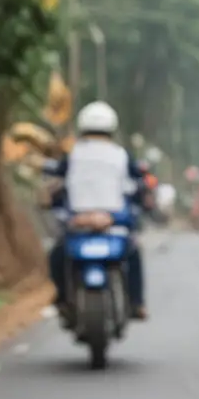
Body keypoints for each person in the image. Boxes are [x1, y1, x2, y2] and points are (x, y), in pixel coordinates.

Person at [47, 101, 149, 318]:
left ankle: (62, 299)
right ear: (112, 129)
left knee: (57, 254)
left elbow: (55, 186)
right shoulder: (122, 155)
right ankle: (137, 303)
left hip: (79, 221)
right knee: (133, 254)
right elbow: (138, 186)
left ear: (82, 128)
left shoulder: (72, 155)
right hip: (114, 220)